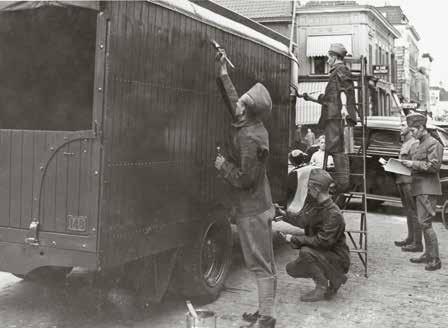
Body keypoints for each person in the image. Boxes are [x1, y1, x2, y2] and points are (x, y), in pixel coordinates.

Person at [214, 49, 277, 328]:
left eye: (241, 103)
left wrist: (222, 165)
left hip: (253, 210)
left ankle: (266, 318)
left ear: (248, 110)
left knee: (261, 265)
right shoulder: (251, 122)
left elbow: (245, 179)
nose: (236, 104)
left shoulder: (252, 138)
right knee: (260, 264)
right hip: (255, 206)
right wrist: (224, 73)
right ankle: (263, 312)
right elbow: (234, 101)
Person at [277, 167, 350, 302]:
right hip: (325, 254)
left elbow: (322, 242)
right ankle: (334, 278)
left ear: (316, 189)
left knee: (306, 252)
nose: (308, 192)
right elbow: (303, 221)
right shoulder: (318, 205)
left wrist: (293, 239)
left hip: (338, 258)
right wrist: (283, 215)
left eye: (309, 189)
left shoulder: (333, 214)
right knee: (292, 269)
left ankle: (323, 286)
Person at [297, 43, 360, 193]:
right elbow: (328, 98)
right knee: (334, 148)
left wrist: (344, 108)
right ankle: (339, 182)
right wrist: (307, 96)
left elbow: (344, 91)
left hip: (336, 117)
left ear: (334, 57)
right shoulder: (336, 72)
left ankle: (342, 183)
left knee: (337, 149)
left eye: (328, 57)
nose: (327, 60)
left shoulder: (340, 70)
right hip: (334, 116)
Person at [401, 113, 443, 271]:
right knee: (422, 222)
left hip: (428, 189)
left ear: (421, 128)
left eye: (413, 130)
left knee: (425, 223)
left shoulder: (434, 144)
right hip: (419, 187)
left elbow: (433, 166)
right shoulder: (419, 143)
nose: (411, 133)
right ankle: (428, 254)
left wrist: (412, 163)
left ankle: (435, 259)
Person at [394, 123, 422, 252]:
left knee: (414, 211)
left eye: (403, 125)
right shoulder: (405, 143)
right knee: (408, 211)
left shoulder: (414, 143)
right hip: (402, 180)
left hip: (409, 181)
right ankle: (410, 238)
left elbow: (414, 164)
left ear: (409, 129)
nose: (400, 127)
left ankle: (417, 243)